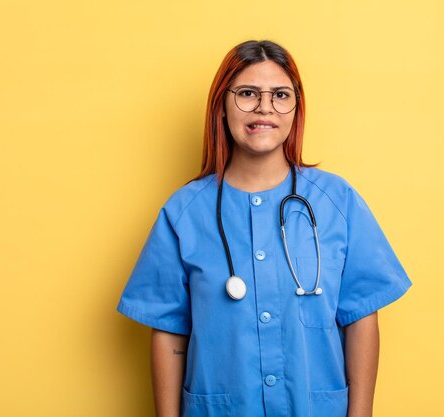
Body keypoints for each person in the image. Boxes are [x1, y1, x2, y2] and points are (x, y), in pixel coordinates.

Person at [117, 40, 412, 417]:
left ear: (296, 108)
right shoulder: (184, 212)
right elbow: (169, 331)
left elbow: (360, 318)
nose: (264, 107)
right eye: (247, 93)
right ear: (222, 106)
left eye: (280, 95)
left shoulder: (337, 201)